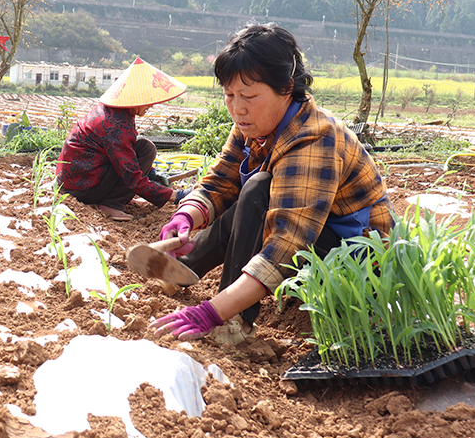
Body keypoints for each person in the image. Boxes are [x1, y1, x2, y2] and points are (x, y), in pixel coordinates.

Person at [146, 24, 395, 341]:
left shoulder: (314, 139)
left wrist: (212, 311)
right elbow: (222, 179)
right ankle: (184, 266)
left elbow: (287, 245)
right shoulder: (255, 122)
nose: (237, 108)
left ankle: (232, 319)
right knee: (248, 195)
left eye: (248, 95)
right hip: (320, 241)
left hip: (360, 266)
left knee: (257, 190)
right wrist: (186, 215)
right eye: (229, 95)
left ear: (287, 87)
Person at [56, 58, 188, 221]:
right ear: (135, 97)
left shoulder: (114, 112)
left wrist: (151, 173)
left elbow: (128, 151)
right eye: (148, 99)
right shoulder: (116, 125)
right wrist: (176, 195)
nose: (151, 105)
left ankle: (115, 197)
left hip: (73, 181)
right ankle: (111, 204)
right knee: (146, 150)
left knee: (143, 147)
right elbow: (132, 177)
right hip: (81, 188)